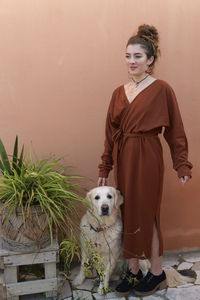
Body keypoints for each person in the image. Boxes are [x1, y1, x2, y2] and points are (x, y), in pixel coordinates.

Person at [97, 24, 192, 297]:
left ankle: (158, 272)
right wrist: (105, 166)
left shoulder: (162, 89)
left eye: (137, 56)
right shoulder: (119, 92)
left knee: (147, 212)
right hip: (124, 155)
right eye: (127, 56)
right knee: (127, 211)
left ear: (150, 59)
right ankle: (134, 271)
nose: (131, 62)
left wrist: (181, 164)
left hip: (148, 155)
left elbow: (176, 130)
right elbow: (110, 133)